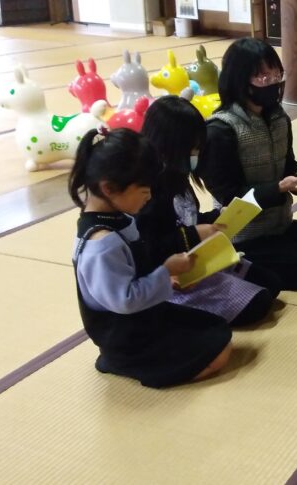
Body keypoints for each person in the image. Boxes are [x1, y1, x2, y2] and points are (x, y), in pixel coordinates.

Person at [69, 127, 231, 388]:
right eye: (143, 188)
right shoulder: (101, 245)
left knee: (216, 327)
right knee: (218, 354)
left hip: (145, 317)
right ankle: (123, 363)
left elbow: (138, 267)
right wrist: (165, 272)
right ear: (109, 188)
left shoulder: (119, 218)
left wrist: (169, 278)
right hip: (125, 336)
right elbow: (126, 300)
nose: (150, 195)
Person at [197, 38, 297, 291]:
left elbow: (288, 169)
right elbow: (228, 196)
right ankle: (234, 263)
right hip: (243, 236)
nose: (273, 83)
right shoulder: (220, 130)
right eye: (262, 77)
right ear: (239, 80)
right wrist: (278, 188)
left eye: (276, 74)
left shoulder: (279, 119)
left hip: (280, 226)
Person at [137, 95, 280, 327]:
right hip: (172, 276)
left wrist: (217, 217)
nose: (195, 155)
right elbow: (151, 247)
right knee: (259, 303)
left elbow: (186, 219)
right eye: (192, 149)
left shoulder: (177, 178)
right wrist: (195, 234)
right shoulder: (144, 192)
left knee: (271, 283)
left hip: (197, 261)